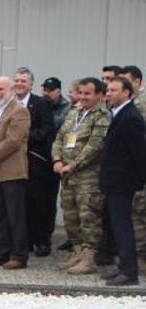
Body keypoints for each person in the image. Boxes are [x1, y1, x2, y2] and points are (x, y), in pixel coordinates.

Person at [51, 77, 110, 275]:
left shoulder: (101, 115)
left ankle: (89, 258)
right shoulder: (74, 112)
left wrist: (73, 165)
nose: (83, 97)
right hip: (67, 175)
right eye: (81, 93)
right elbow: (60, 137)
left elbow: (95, 146)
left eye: (88, 94)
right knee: (70, 215)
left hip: (87, 177)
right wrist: (57, 160)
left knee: (88, 217)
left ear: (99, 95)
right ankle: (77, 252)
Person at [98, 77, 146, 286]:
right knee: (116, 226)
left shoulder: (131, 118)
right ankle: (123, 266)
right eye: (107, 90)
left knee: (122, 225)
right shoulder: (119, 114)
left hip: (122, 181)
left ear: (126, 93)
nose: (108, 93)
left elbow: (139, 153)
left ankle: (130, 271)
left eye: (113, 90)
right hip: (113, 180)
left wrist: (141, 179)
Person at [0, 76, 30, 270]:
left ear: (12, 90)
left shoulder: (20, 111)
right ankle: (0, 252)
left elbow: (13, 141)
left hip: (11, 171)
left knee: (15, 215)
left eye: (2, 89)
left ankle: (19, 255)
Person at [14, 67, 56, 257]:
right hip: (12, 162)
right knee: (19, 204)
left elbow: (47, 130)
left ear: (31, 84)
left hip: (35, 162)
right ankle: (24, 241)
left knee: (37, 203)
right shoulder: (8, 104)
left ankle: (41, 241)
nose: (19, 84)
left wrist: (23, 137)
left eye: (23, 81)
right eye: (17, 80)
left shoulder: (40, 104)